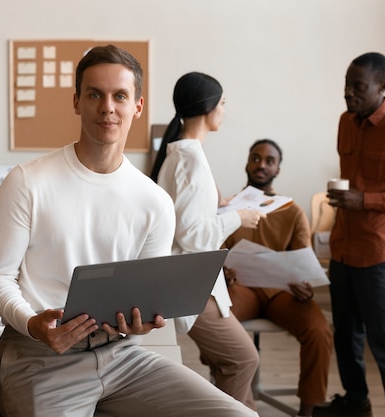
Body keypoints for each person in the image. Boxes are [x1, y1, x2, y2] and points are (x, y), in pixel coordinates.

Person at [0, 46, 256, 417]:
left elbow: (146, 291)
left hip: (120, 354)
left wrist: (143, 320)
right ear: (77, 102)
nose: (107, 106)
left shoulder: (155, 201)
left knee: (240, 415)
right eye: (95, 94)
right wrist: (32, 324)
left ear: (137, 106)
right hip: (39, 354)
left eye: (119, 96)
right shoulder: (28, 181)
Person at [314, 52, 385, 417]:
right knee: (347, 337)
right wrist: (347, 198)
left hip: (379, 255)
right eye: (346, 86)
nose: (348, 93)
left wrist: (364, 200)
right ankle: (356, 403)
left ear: (382, 87)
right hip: (343, 250)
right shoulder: (346, 122)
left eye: (358, 87)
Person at [150, 71, 263, 410]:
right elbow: (193, 235)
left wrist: (220, 208)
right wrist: (238, 218)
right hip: (192, 285)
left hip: (194, 282)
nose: (225, 110)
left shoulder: (182, 154)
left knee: (232, 366)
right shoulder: (190, 159)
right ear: (209, 106)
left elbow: (189, 219)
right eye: (223, 103)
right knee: (244, 360)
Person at [223, 138, 333, 417]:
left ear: (278, 170)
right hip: (241, 289)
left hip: (282, 293)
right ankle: (236, 405)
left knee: (319, 331)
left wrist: (306, 287)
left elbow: (303, 263)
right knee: (216, 321)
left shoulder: (292, 211)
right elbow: (215, 255)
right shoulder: (229, 208)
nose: (261, 165)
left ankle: (308, 409)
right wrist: (222, 272)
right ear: (247, 163)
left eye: (269, 161)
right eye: (256, 158)